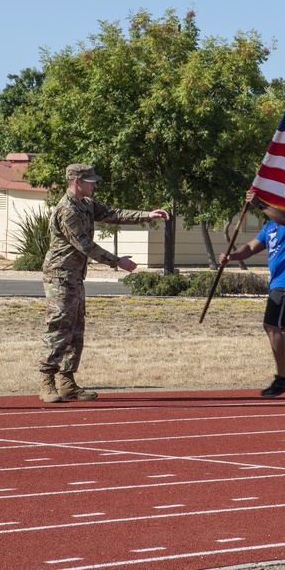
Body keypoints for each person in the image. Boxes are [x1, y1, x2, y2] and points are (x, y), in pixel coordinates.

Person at [38, 163, 170, 403]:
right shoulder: (67, 210)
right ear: (77, 182)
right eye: (91, 181)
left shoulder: (87, 205)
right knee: (58, 327)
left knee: (76, 329)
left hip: (75, 276)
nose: (95, 184)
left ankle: (67, 382)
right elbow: (86, 246)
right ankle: (47, 380)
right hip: (59, 276)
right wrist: (118, 261)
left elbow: (114, 214)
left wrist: (147, 215)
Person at [220, 190, 285, 399]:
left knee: (271, 326)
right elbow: (249, 248)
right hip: (277, 282)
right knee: (283, 330)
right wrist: (231, 256)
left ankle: (282, 378)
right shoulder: (270, 226)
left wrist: (260, 205)